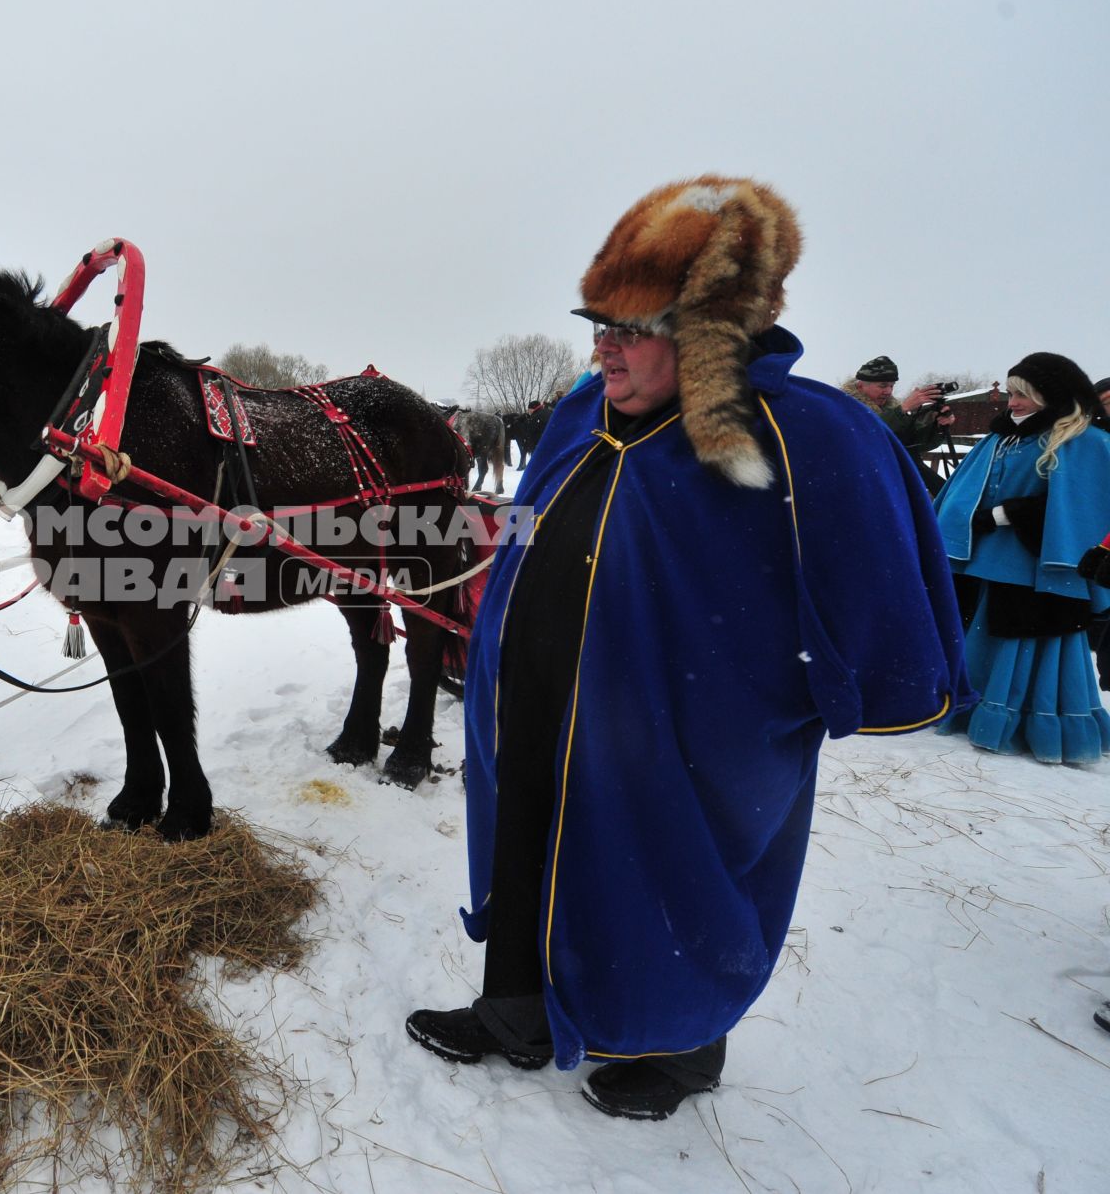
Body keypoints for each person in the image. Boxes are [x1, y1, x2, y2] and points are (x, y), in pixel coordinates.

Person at [406, 176, 971, 1121]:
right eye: (599, 324)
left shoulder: (808, 437)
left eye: (632, 327)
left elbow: (886, 595)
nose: (605, 348)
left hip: (692, 734)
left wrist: (796, 700)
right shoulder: (583, 413)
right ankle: (518, 1011)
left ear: (710, 327)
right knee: (531, 852)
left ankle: (678, 1054)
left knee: (673, 883)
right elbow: (533, 529)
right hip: (545, 705)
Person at [933, 355, 1110, 762]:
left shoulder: (1084, 440)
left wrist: (1006, 514)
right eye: (1010, 394)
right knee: (984, 636)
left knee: (1031, 641)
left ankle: (1029, 726)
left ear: (1052, 397)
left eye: (1023, 396)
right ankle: (976, 712)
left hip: (1040, 566)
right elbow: (959, 493)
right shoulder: (1000, 439)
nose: (1011, 403)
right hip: (985, 560)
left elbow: (1084, 509)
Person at [844, 356, 956, 493]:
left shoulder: (892, 408)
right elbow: (867, 434)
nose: (888, 391)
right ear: (861, 385)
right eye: (883, 385)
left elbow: (916, 445)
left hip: (890, 483)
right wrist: (902, 410)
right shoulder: (843, 405)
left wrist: (938, 427)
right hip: (858, 482)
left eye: (892, 386)